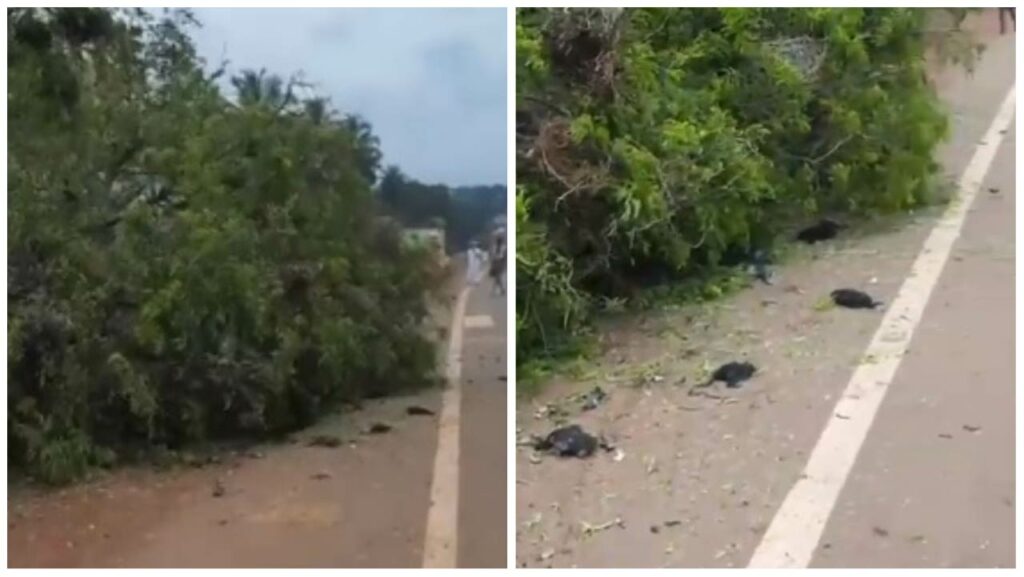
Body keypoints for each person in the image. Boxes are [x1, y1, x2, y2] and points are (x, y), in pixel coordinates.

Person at [489, 227, 506, 296]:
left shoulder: (502, 246)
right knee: (497, 277)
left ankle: (494, 290)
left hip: (498, 262)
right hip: (497, 262)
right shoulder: (497, 246)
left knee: (497, 276)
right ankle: (501, 290)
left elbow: (501, 256)